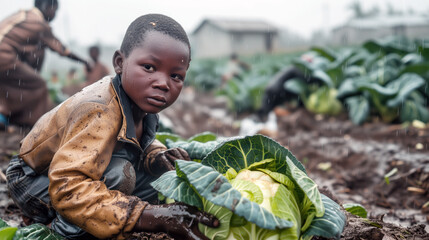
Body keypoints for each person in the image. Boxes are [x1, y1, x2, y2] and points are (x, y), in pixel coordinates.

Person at [6, 13, 219, 240]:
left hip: (74, 171)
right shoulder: (99, 110)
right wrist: (153, 216)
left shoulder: (140, 103)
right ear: (119, 63)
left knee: (158, 177)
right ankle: (60, 230)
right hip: (34, 180)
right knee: (120, 174)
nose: (163, 83)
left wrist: (156, 156)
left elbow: (138, 141)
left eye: (176, 75)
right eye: (149, 67)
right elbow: (67, 186)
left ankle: (107, 219)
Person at [0, 0, 90, 130]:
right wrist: (84, 61)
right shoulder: (40, 24)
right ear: (47, 7)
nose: (55, 15)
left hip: (5, 57)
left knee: (9, 87)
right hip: (4, 56)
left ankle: (4, 117)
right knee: (39, 85)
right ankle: (33, 124)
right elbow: (62, 49)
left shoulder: (23, 14)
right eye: (55, 10)